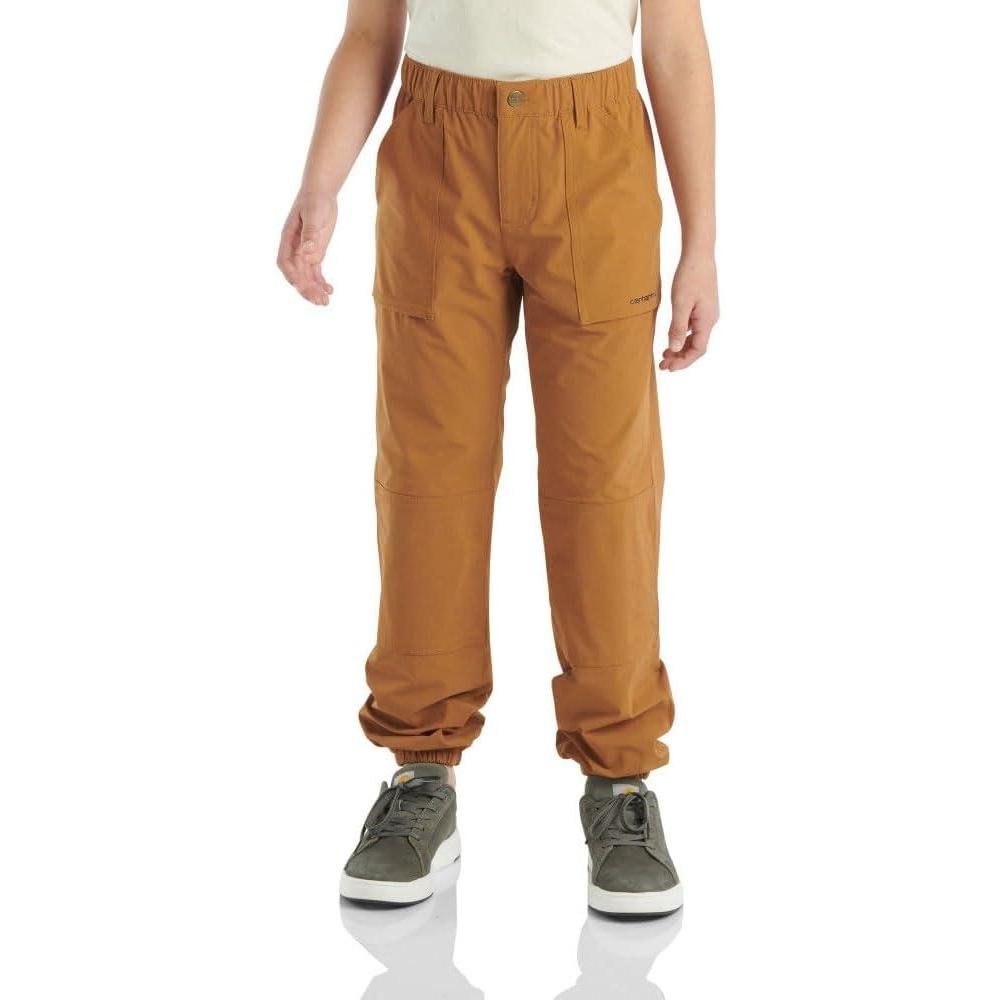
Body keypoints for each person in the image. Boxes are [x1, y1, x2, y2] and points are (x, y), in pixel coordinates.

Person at [277, 0, 718, 916]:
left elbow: (675, 46)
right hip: (438, 153)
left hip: (595, 151)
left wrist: (701, 244)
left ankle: (620, 779)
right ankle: (420, 772)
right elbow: (371, 33)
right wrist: (320, 183)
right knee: (429, 479)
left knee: (605, 482)